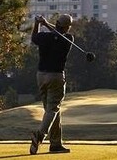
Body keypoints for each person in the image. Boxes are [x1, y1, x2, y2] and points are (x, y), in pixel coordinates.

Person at [30, 13, 73, 155]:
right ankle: (40, 135)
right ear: (67, 27)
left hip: (40, 76)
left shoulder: (44, 37)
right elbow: (60, 33)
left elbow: (34, 37)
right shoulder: (68, 39)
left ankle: (55, 144)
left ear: (57, 23)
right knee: (53, 109)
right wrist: (45, 23)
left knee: (52, 110)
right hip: (56, 76)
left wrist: (38, 23)